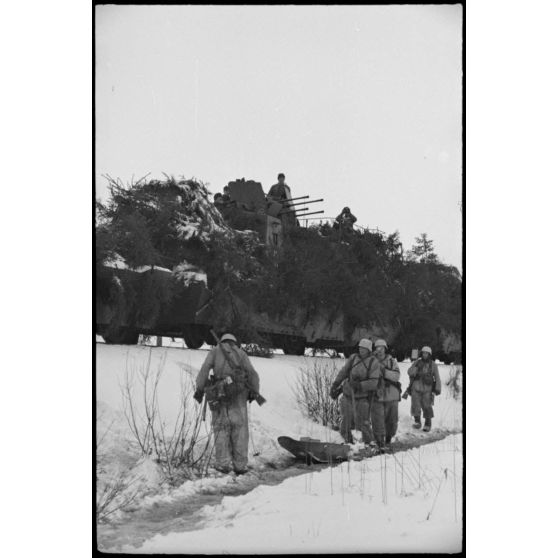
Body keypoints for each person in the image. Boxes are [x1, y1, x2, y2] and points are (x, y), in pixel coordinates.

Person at [194, 333, 261, 475]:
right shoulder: (241, 353)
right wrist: (254, 392)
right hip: (239, 396)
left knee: (221, 428)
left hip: (219, 394)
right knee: (240, 430)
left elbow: (205, 369)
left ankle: (223, 464)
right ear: (234, 342)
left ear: (222, 341)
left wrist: (200, 389)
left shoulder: (215, 351)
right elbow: (253, 374)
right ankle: (240, 466)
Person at [329, 339, 380, 446]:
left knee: (364, 422)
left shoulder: (373, 362)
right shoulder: (353, 358)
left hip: (362, 397)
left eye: (364, 349)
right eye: (360, 348)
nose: (361, 350)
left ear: (369, 350)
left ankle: (369, 443)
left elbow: (374, 382)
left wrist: (360, 385)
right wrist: (335, 384)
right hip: (348, 394)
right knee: (345, 420)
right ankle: (347, 441)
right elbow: (343, 372)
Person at [370, 339, 401, 450]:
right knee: (377, 419)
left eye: (382, 348)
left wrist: (384, 372)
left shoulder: (392, 361)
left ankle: (388, 437)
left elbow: (396, 376)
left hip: (391, 395)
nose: (380, 350)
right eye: (377, 348)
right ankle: (379, 441)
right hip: (377, 394)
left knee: (392, 420)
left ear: (385, 349)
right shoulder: (370, 361)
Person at [407, 346, 441, 432]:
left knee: (427, 406)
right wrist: (416, 368)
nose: (425, 354)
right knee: (415, 405)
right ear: (421, 353)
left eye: (427, 353)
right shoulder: (417, 362)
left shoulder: (433, 365)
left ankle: (428, 423)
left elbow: (437, 377)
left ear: (429, 354)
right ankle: (417, 422)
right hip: (416, 387)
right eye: (423, 353)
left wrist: (437, 388)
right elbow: (409, 372)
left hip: (427, 389)